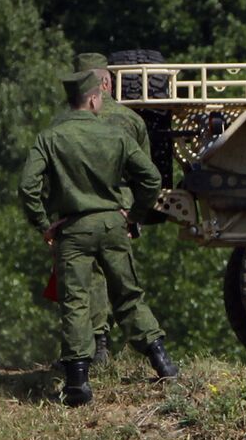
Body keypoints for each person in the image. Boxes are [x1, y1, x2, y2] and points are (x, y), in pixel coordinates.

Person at [18, 70, 179, 406]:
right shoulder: (115, 136)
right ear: (94, 98)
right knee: (128, 296)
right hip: (112, 225)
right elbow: (151, 177)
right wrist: (134, 214)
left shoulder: (50, 138)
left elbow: (27, 186)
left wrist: (43, 223)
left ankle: (78, 384)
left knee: (76, 302)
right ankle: (162, 362)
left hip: (72, 230)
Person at [73, 51, 154, 365]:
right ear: (107, 83)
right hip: (119, 211)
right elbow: (145, 176)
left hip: (77, 209)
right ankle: (153, 352)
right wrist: (135, 214)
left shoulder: (65, 120)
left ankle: (95, 346)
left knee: (83, 282)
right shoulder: (131, 120)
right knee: (124, 282)